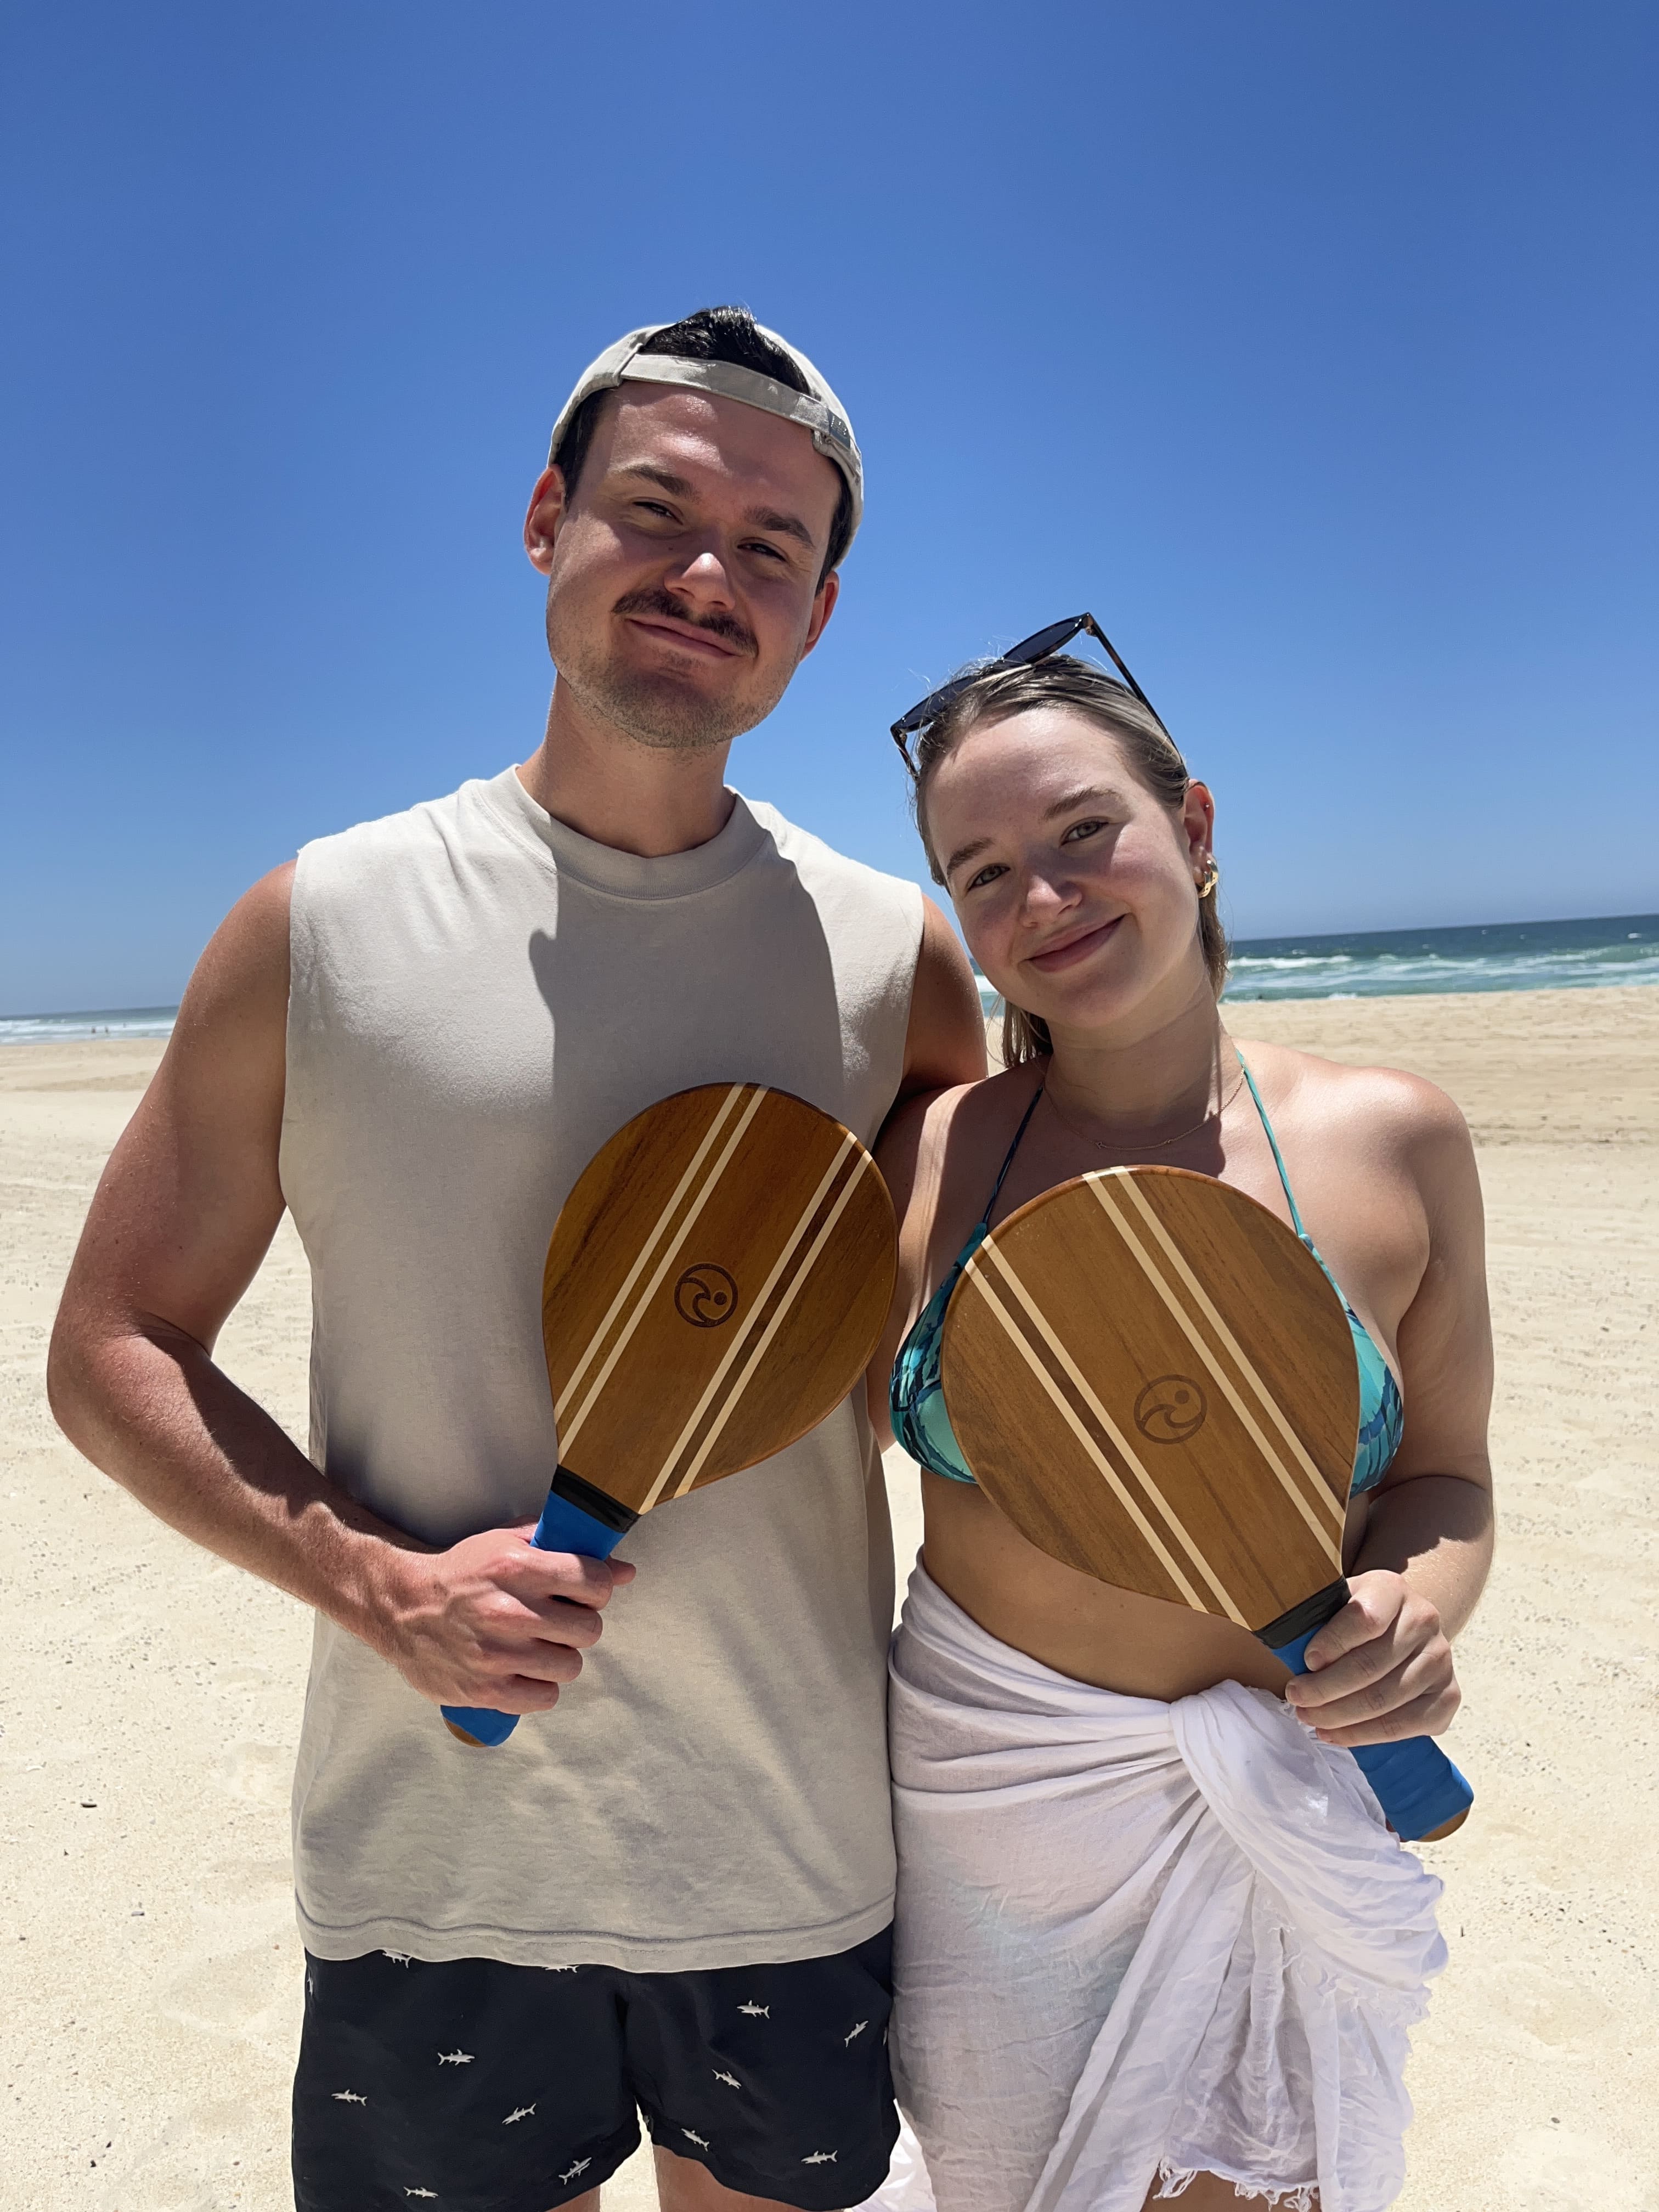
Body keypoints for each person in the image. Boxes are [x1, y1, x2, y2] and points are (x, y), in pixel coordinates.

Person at [48, 307, 986, 2212]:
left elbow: (974, 1364)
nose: (707, 573)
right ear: (548, 519)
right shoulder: (319, 925)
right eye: (657, 509)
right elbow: (113, 1344)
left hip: (791, 1853)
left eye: (771, 547)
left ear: (816, 618)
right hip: (435, 1865)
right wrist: (373, 1584)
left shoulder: (899, 963)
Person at [868, 629, 1494, 2212]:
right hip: (995, 1808)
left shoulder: (1394, 1139)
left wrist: (1414, 1608)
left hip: (1288, 1778)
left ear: (1194, 826)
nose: (1045, 897)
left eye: (1085, 831)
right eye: (984, 872)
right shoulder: (928, 1157)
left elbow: (1446, 1475)